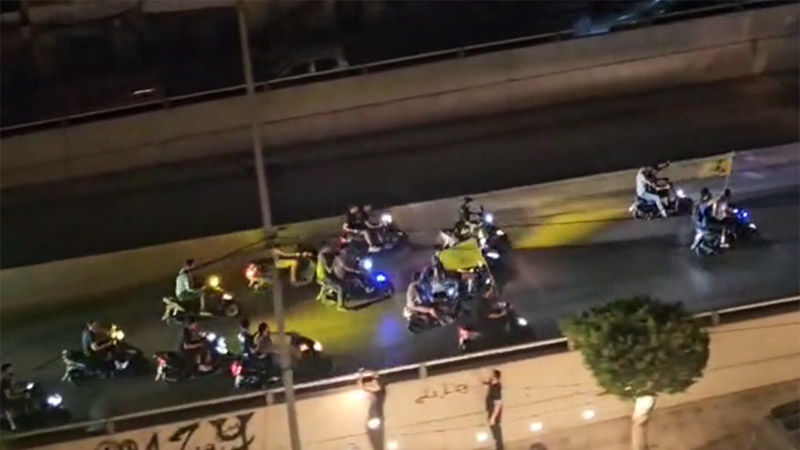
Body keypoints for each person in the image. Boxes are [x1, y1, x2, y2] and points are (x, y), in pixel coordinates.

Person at [332, 245, 368, 311]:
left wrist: (358, 261)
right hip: (342, 276)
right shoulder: (340, 258)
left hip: (343, 273)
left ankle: (354, 291)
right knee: (357, 279)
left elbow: (353, 260)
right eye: (346, 249)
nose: (347, 250)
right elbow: (346, 267)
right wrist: (356, 270)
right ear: (342, 250)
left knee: (357, 275)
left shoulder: (344, 255)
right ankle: (366, 288)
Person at [1, 363, 28, 430]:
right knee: (8, 410)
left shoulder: (6, 378)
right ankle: (13, 425)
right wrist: (21, 395)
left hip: (4, 397)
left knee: (7, 411)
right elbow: (9, 395)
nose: (12, 370)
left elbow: (10, 390)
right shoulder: (5, 380)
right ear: (6, 370)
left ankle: (13, 425)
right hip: (3, 397)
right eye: (10, 369)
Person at [484, 369, 504, 450]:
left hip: (494, 412)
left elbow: (498, 403)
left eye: (491, 375)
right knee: (494, 431)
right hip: (492, 411)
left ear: (494, 376)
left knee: (496, 432)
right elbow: (488, 382)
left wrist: (493, 417)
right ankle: (498, 447)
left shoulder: (496, 387)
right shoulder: (493, 384)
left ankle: (499, 448)